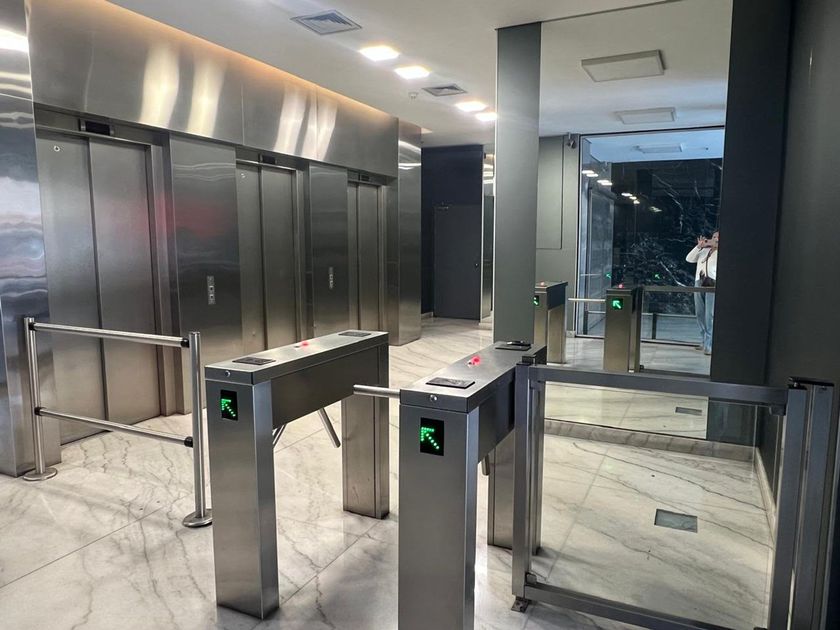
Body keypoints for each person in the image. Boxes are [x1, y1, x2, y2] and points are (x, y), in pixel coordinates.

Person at [685, 231, 718, 355]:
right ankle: (703, 340)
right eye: (714, 237)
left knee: (709, 314)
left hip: (712, 283)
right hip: (699, 282)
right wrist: (699, 246)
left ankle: (709, 344)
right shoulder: (703, 251)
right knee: (699, 312)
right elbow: (689, 259)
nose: (715, 239)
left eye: (718, 237)